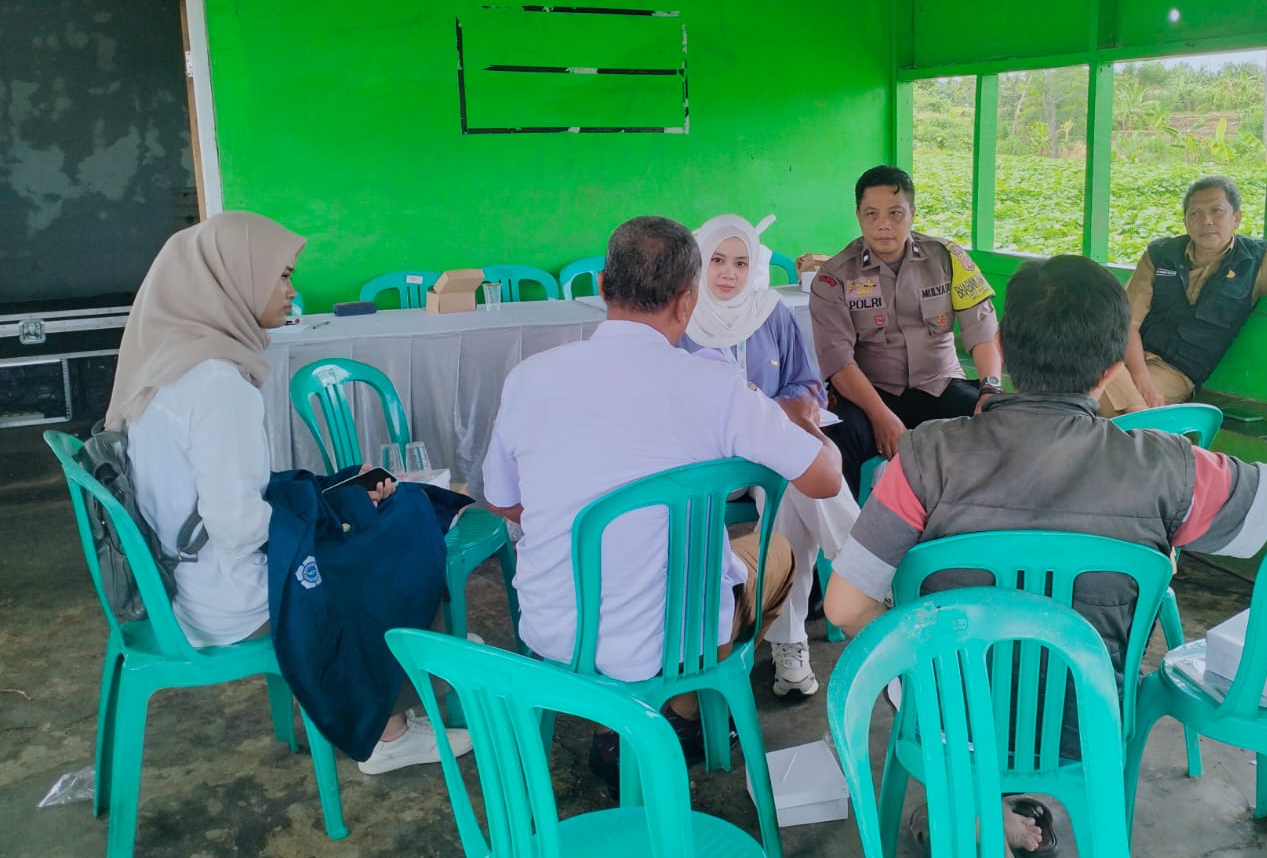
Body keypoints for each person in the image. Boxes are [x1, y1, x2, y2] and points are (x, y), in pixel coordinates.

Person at [823, 253, 1267, 858]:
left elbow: (846, 606)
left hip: (948, 718)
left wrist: (930, 653)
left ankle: (970, 803)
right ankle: (994, 809)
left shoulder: (925, 456)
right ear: (1112, 370)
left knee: (922, 658)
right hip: (1085, 718)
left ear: (1000, 351)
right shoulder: (1168, 467)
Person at [482, 216, 843, 775]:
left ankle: (615, 728)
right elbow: (824, 480)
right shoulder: (715, 385)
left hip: (555, 626)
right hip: (676, 635)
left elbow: (503, 502)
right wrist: (808, 424)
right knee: (777, 554)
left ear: (602, 285)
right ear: (687, 300)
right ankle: (688, 710)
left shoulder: (528, 377)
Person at [112, 212, 470, 774]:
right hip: (226, 598)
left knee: (363, 518)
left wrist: (328, 500)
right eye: (280, 276)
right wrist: (326, 515)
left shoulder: (167, 366)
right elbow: (236, 527)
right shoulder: (217, 384)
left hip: (179, 581)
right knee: (394, 535)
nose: (290, 291)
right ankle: (390, 728)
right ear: (233, 280)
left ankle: (421, 661)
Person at [679, 212, 860, 698]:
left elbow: (807, 382)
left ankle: (790, 641)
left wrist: (782, 408)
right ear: (698, 261)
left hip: (771, 452)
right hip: (712, 463)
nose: (728, 273)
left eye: (741, 263)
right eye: (717, 260)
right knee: (797, 475)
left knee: (790, 494)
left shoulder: (770, 312)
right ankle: (866, 572)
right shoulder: (683, 316)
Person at [809, 165, 1004, 494]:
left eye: (895, 213)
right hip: (872, 393)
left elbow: (982, 330)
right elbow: (839, 362)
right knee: (835, 440)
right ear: (858, 216)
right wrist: (880, 416)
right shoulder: (835, 276)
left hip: (940, 386)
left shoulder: (947, 258)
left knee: (1000, 424)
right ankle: (849, 526)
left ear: (912, 213)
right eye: (871, 213)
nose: (883, 224)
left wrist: (990, 391)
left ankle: (979, 521)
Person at [1100, 175, 1267, 414]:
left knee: (1096, 390)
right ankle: (1140, 419)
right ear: (1185, 221)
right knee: (1087, 376)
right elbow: (1128, 324)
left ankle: (1139, 420)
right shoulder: (1160, 255)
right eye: (1195, 213)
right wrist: (1141, 381)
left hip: (1172, 373)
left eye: (1217, 211)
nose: (1206, 221)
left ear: (1236, 218)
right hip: (1127, 359)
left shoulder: (1258, 261)